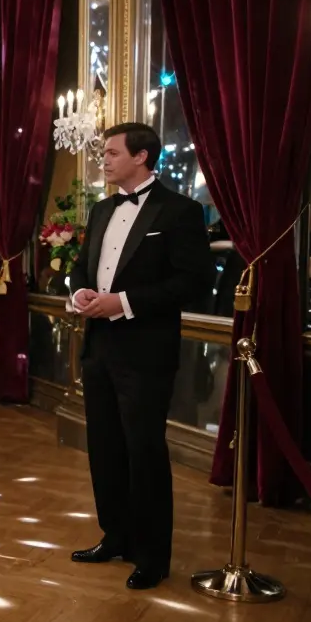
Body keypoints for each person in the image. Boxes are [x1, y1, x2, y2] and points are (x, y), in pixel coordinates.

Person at [67, 123, 212, 590]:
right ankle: (116, 535)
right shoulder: (101, 210)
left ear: (142, 156)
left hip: (146, 350)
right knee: (104, 448)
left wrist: (123, 303)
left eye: (111, 153)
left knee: (144, 451)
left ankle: (151, 556)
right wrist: (81, 293)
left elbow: (191, 282)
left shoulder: (181, 211)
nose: (103, 160)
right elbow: (79, 268)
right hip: (99, 347)